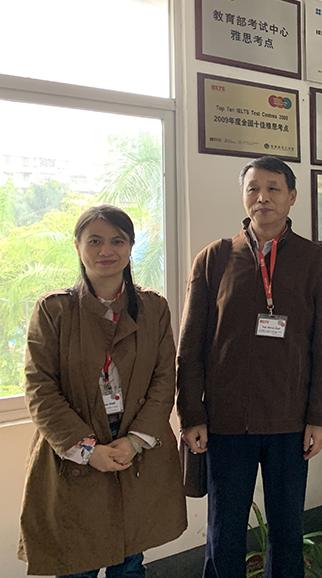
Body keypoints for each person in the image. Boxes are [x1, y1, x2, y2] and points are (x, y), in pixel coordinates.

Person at [177, 156, 322, 578]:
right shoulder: (214, 259)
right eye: (253, 188)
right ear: (243, 195)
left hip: (291, 422)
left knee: (287, 531)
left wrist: (319, 417)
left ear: (292, 196)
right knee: (224, 530)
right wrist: (192, 413)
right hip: (227, 422)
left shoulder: (316, 261)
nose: (262, 197)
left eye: (273, 188)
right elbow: (190, 346)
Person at [18, 205, 187, 577]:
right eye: (94, 241)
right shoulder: (54, 310)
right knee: (76, 562)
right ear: (78, 246)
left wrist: (135, 441)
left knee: (130, 560)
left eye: (117, 241)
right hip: (76, 451)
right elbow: (40, 388)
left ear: (130, 247)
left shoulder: (153, 308)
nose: (106, 250)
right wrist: (87, 449)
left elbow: (164, 380)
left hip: (135, 447)